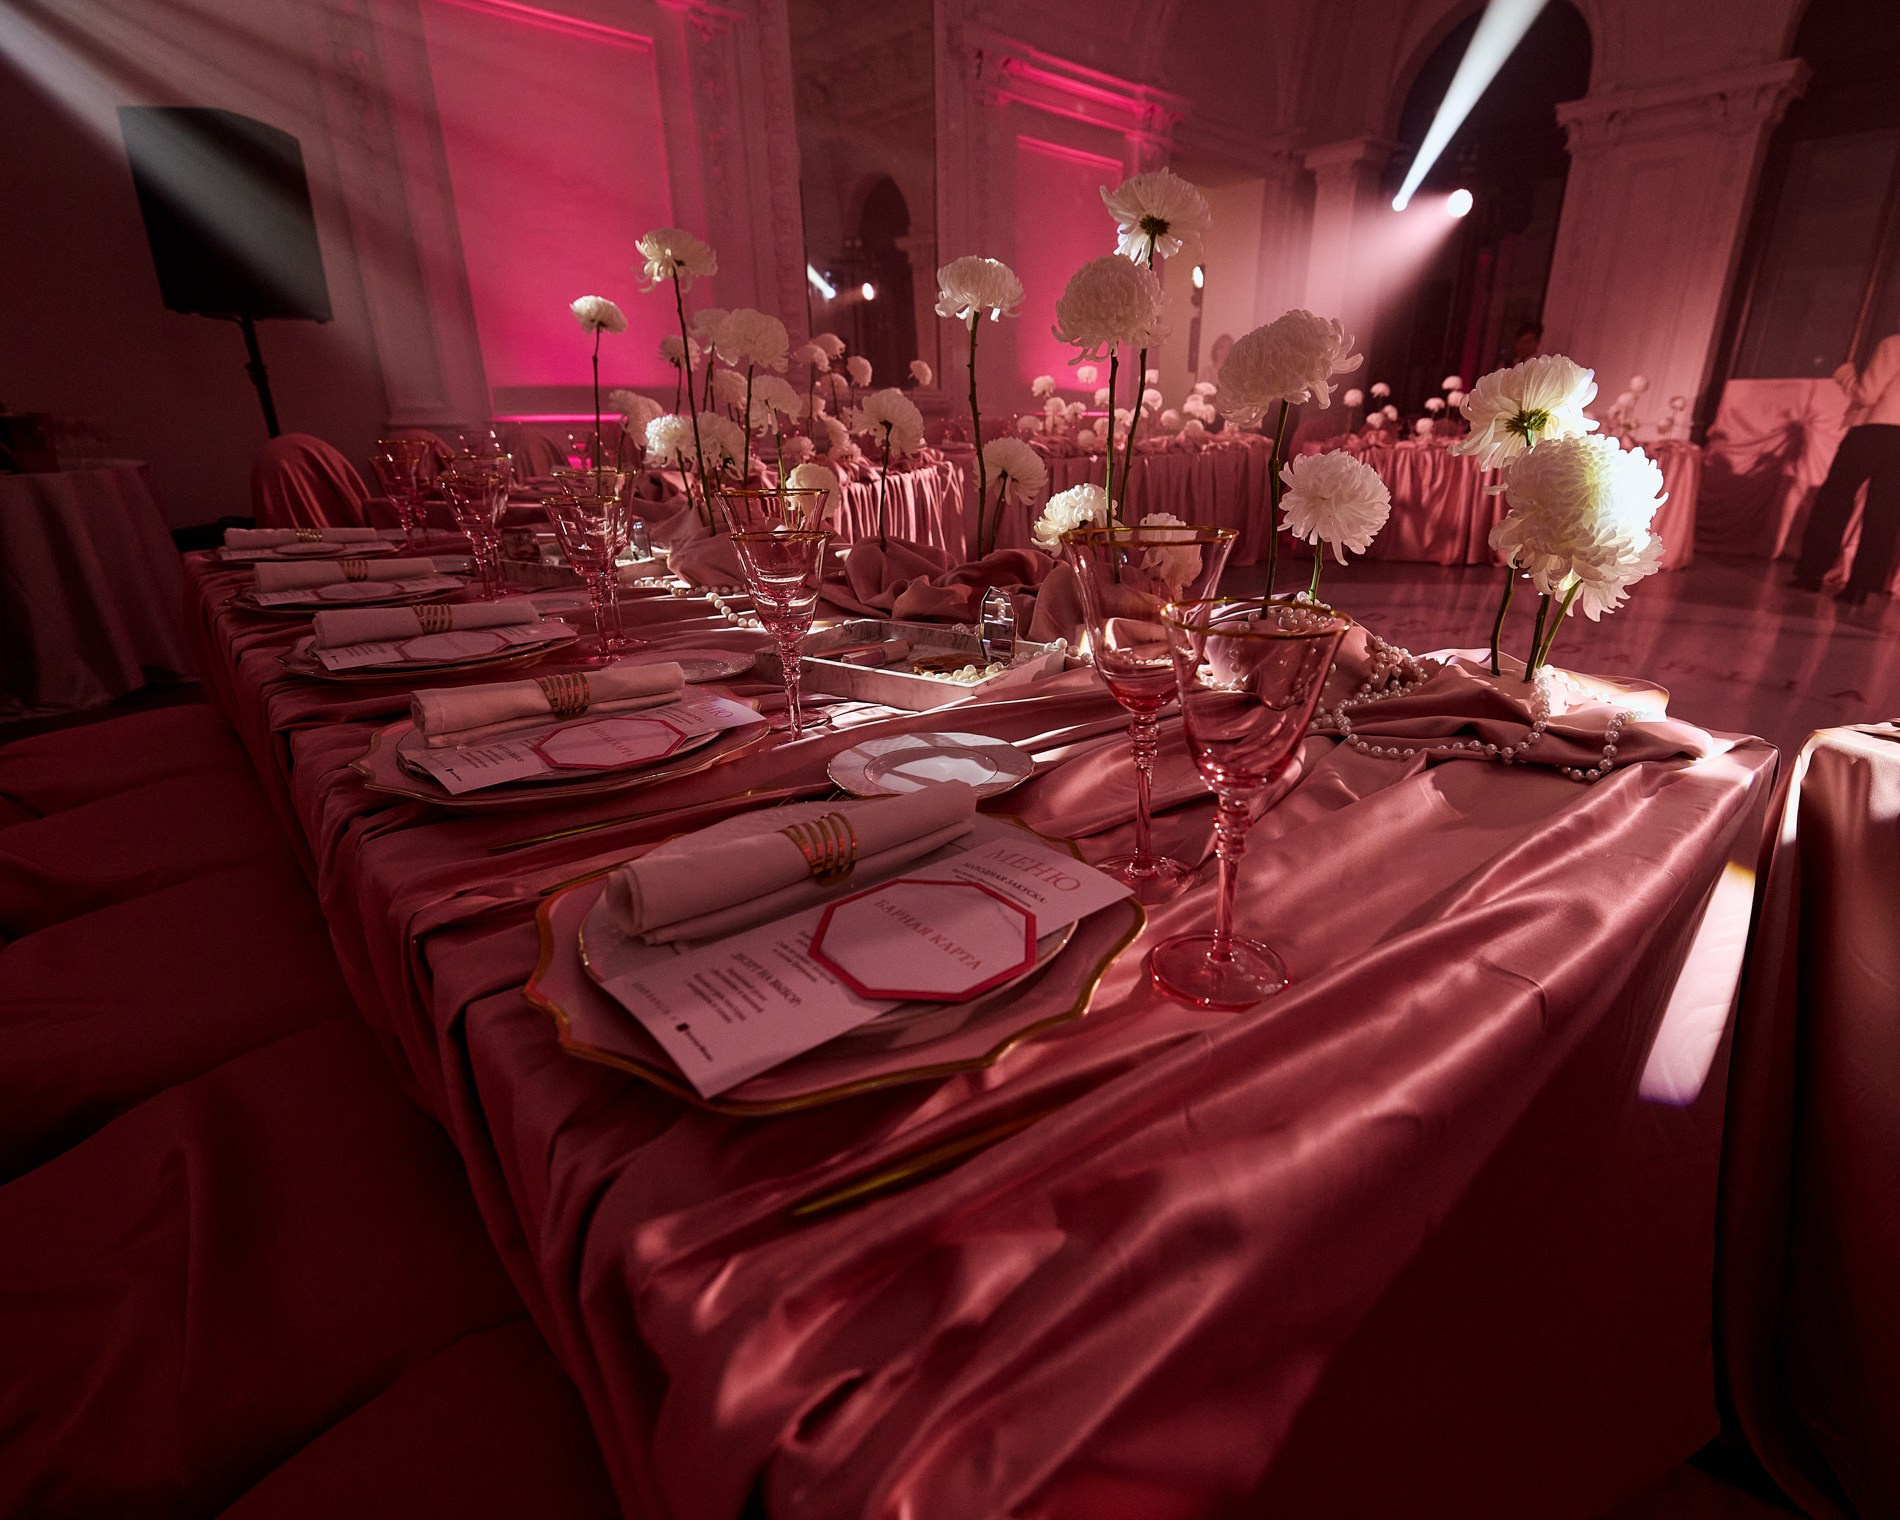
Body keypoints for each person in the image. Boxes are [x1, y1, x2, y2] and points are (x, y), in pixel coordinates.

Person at [1794, 330, 1900, 605]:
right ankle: (1861, 586)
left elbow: (1866, 394)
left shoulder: (1893, 344)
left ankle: (1811, 572)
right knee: (1884, 513)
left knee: (1835, 499)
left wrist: (1845, 374)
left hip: (1874, 431)